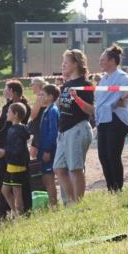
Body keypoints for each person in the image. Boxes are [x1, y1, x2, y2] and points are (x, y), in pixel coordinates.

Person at [91, 45, 128, 191]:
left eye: (103, 60)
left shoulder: (120, 76)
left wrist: (121, 98)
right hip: (103, 120)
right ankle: (110, 187)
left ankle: (117, 187)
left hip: (116, 119)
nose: (100, 62)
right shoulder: (104, 79)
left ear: (112, 61)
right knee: (103, 155)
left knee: (112, 154)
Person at [54, 50, 94, 204]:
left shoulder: (85, 84)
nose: (63, 64)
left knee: (75, 169)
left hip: (78, 128)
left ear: (76, 63)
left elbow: (90, 110)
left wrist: (77, 98)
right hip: (64, 131)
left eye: (66, 62)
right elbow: (63, 107)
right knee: (59, 168)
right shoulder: (66, 84)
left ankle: (77, 203)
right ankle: (71, 202)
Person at [0, 81, 31, 220]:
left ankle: (21, 213)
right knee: (4, 188)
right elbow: (3, 128)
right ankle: (8, 213)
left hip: (15, 160)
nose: (4, 91)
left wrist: (6, 152)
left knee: (18, 189)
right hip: (7, 156)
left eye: (6, 89)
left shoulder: (21, 118)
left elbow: (18, 147)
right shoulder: (6, 109)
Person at [37, 84, 61, 207]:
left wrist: (47, 150)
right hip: (43, 148)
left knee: (49, 178)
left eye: (43, 95)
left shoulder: (53, 110)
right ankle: (52, 205)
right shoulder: (47, 109)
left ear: (50, 97)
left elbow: (53, 132)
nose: (40, 97)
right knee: (46, 178)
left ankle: (54, 205)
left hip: (49, 150)